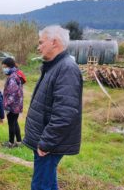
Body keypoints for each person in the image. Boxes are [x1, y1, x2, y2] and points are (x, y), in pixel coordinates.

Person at [23, 25, 83, 190]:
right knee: (47, 182)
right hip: (46, 140)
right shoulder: (54, 66)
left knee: (41, 185)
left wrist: (46, 143)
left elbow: (65, 113)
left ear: (54, 42)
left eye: (41, 42)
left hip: (49, 144)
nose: (38, 46)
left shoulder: (66, 69)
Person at [1, 57, 23, 148]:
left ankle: (10, 143)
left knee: (11, 124)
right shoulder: (15, 74)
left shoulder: (12, 77)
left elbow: (12, 94)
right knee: (15, 122)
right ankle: (18, 141)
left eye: (4, 67)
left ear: (9, 66)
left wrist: (6, 105)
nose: (3, 69)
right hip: (17, 104)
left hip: (12, 105)